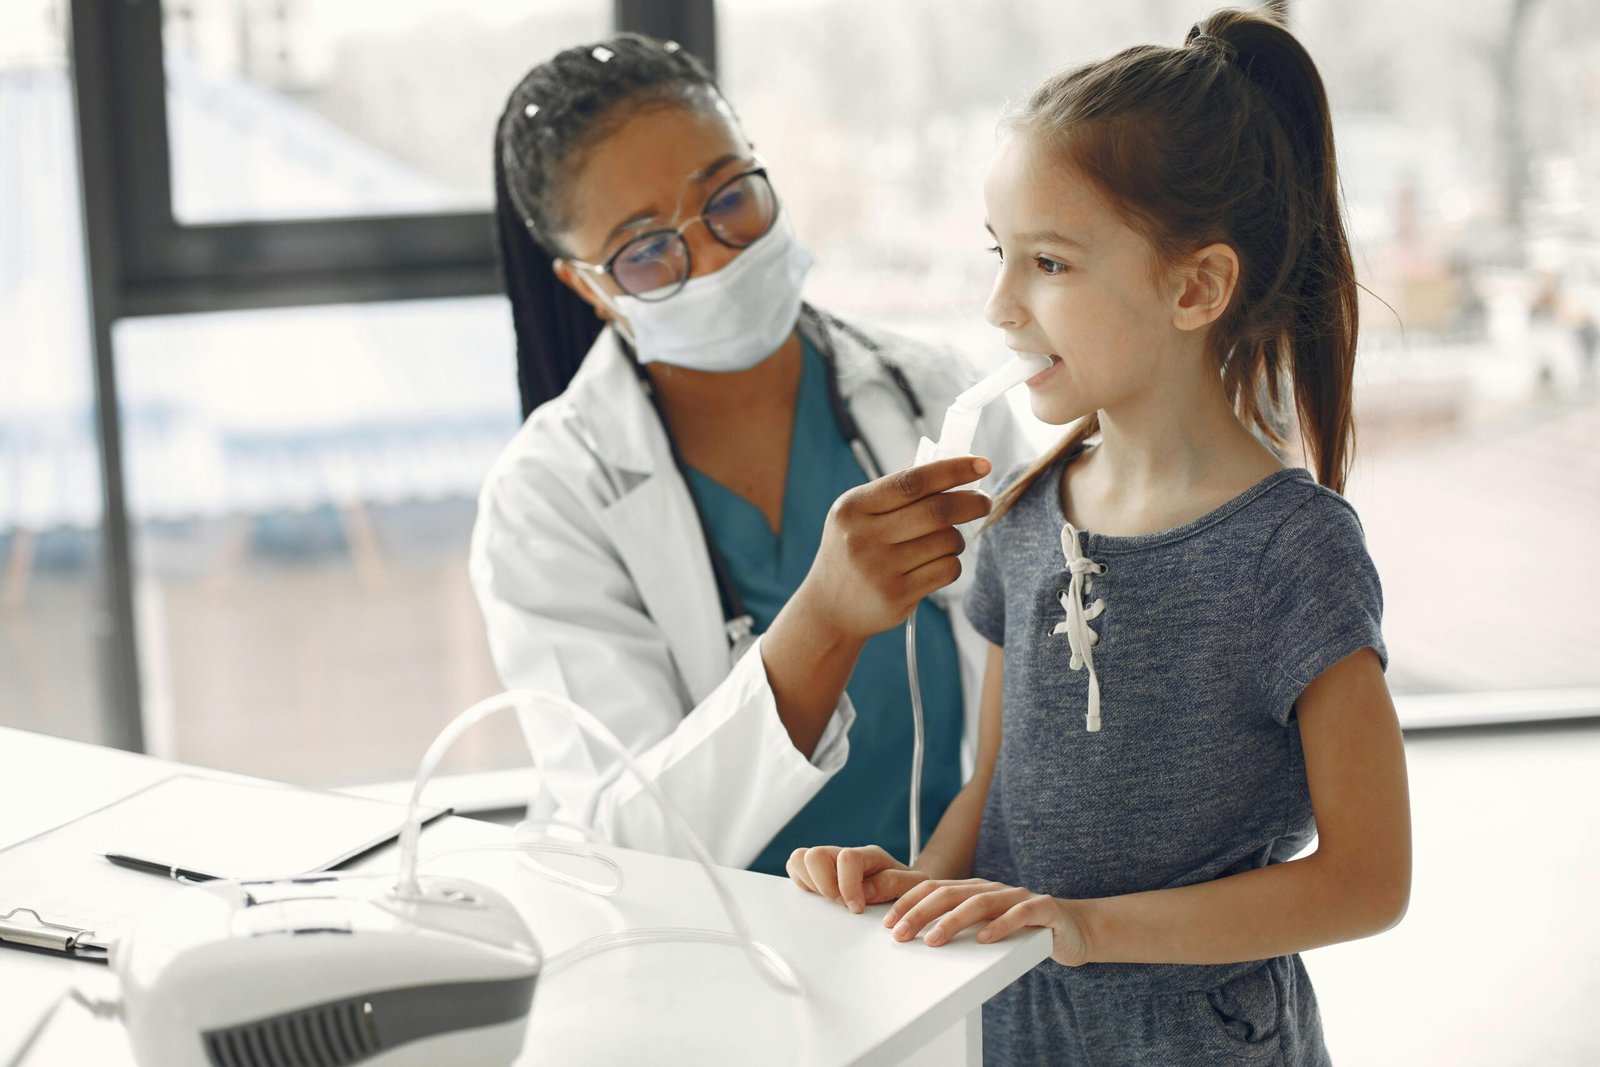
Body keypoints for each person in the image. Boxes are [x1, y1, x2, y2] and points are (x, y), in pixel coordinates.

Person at [786, 10, 1412, 1064]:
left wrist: (1085, 925)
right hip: (1016, 1028)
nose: (997, 304)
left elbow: (1367, 880)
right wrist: (914, 891)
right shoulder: (1024, 513)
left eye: (1049, 263)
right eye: (999, 255)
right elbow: (995, 799)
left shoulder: (1292, 553)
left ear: (1195, 286)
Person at [472, 33, 1031, 875]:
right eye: (645, 250)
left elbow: (1040, 695)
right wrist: (822, 624)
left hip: (933, 936)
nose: (713, 256)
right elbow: (632, 840)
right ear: (588, 286)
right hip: (710, 966)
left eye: (728, 197)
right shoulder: (549, 496)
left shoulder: (930, 392)